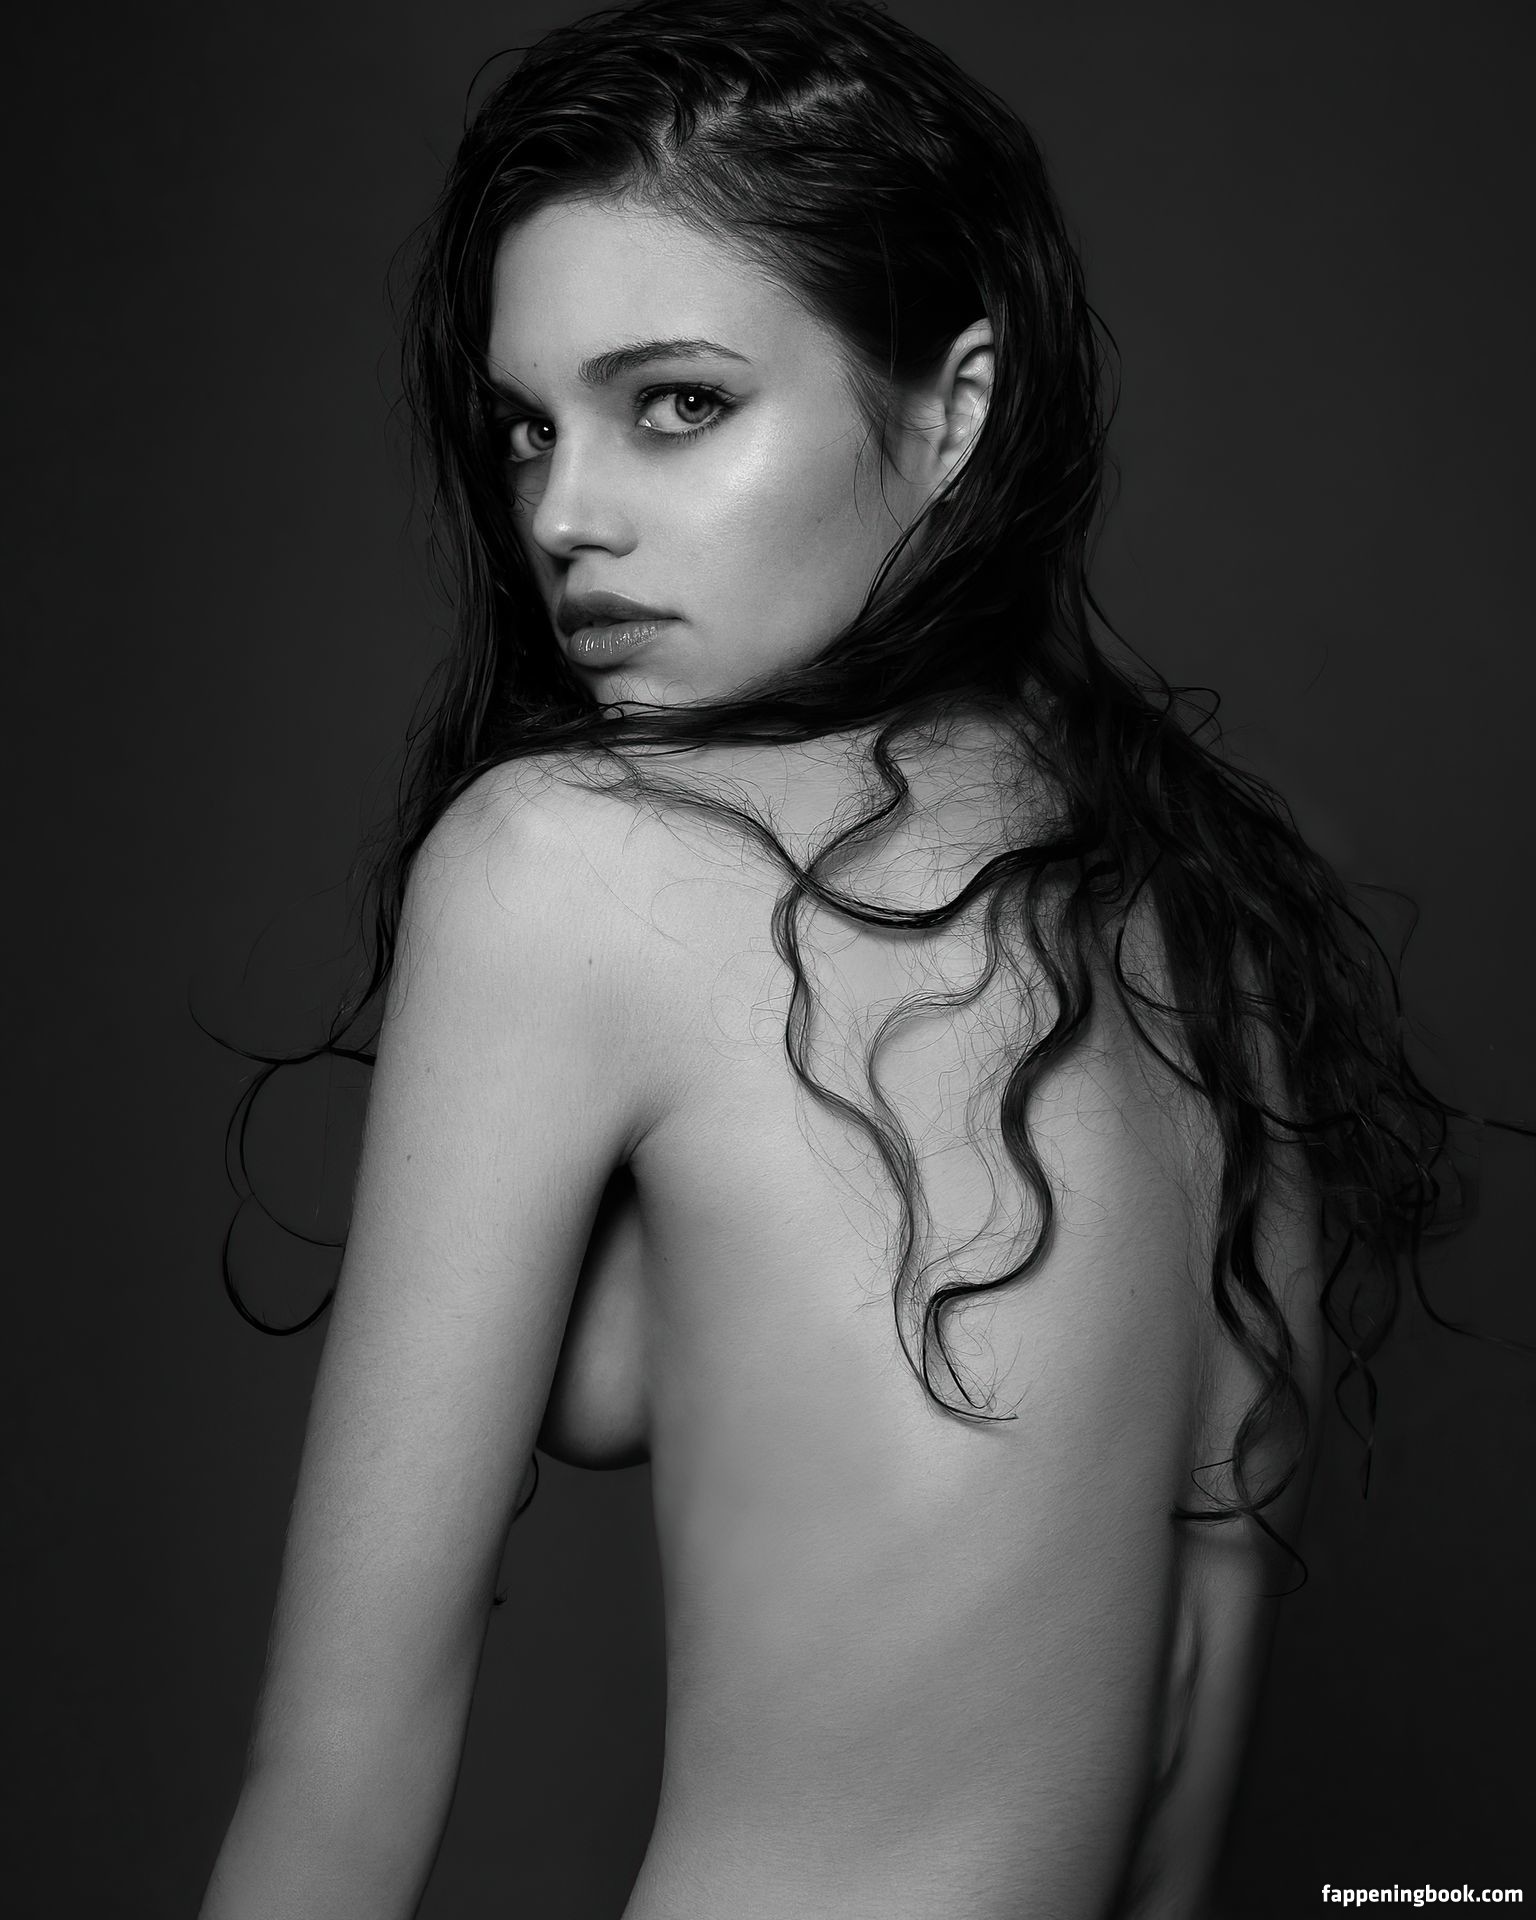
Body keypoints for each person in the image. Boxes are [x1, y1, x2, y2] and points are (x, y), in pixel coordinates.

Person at [199, 2, 1491, 1914]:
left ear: (957, 407)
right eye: (527, 427)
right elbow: (1178, 1736)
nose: (562, 513)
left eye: (677, 404)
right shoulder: (1206, 918)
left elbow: (337, 1785)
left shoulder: (568, 865)